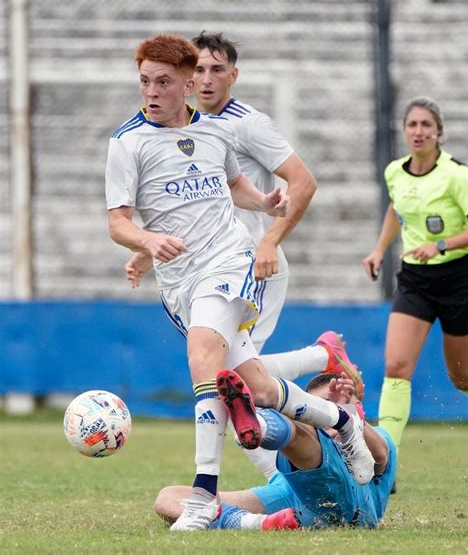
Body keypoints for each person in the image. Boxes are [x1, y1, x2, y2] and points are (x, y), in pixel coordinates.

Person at [105, 33, 374, 531]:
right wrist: (145, 243)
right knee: (260, 391)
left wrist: (265, 208)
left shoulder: (217, 132)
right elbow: (118, 222)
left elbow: (233, 188)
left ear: (187, 83)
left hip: (230, 262)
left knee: (202, 357)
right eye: (145, 81)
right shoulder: (127, 142)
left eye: (163, 82)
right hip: (180, 283)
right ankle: (343, 422)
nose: (152, 92)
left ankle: (204, 495)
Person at [125, 31, 364, 399]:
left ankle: (322, 366)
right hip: (209, 268)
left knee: (230, 377)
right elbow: (195, 206)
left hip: (253, 264)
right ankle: (322, 359)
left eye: (217, 70)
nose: (207, 79)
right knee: (231, 376)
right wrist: (147, 251)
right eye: (200, 69)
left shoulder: (248, 124)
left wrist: (269, 242)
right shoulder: (182, 130)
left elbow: (304, 182)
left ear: (233, 76)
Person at [362, 96, 468, 453]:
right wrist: (379, 250)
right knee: (396, 365)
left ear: (439, 132)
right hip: (415, 280)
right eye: (412, 124)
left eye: (426, 125)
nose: (418, 131)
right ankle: (386, 458)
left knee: (463, 377)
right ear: (405, 130)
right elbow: (397, 209)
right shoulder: (395, 171)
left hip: (459, 279)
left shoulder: (457, 175)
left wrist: (441, 245)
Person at [155, 372, 395, 530]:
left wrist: (351, 415)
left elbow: (381, 455)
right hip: (298, 496)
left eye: (332, 408)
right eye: (321, 409)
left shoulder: (377, 439)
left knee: (303, 436)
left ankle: (259, 423)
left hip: (354, 510)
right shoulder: (285, 484)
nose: (326, 418)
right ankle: (256, 523)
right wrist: (265, 521)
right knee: (168, 496)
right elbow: (169, 500)